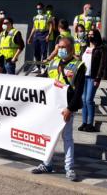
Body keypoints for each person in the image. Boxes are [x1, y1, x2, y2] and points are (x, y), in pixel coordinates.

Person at [32, 36, 85, 181]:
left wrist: (70, 108)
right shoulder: (53, 62)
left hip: (66, 107)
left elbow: (79, 90)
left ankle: (69, 168)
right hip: (51, 106)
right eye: (59, 47)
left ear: (71, 49)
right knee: (48, 136)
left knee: (67, 138)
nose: (61, 50)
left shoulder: (79, 65)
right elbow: (44, 79)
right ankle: (46, 163)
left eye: (64, 47)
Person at [79, 29, 106, 132]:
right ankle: (84, 122)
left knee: (89, 100)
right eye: (89, 34)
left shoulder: (100, 48)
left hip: (93, 77)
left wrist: (98, 77)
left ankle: (90, 123)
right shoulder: (85, 47)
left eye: (92, 35)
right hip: (84, 76)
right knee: (83, 100)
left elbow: (102, 64)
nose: (90, 36)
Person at [27, 2, 52, 74]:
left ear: (43, 9)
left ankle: (43, 67)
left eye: (40, 8)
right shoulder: (35, 17)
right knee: (36, 52)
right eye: (37, 8)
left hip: (44, 34)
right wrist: (30, 37)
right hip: (36, 35)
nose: (39, 10)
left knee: (44, 52)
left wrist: (48, 35)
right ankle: (38, 67)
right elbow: (34, 27)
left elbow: (50, 26)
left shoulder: (47, 16)